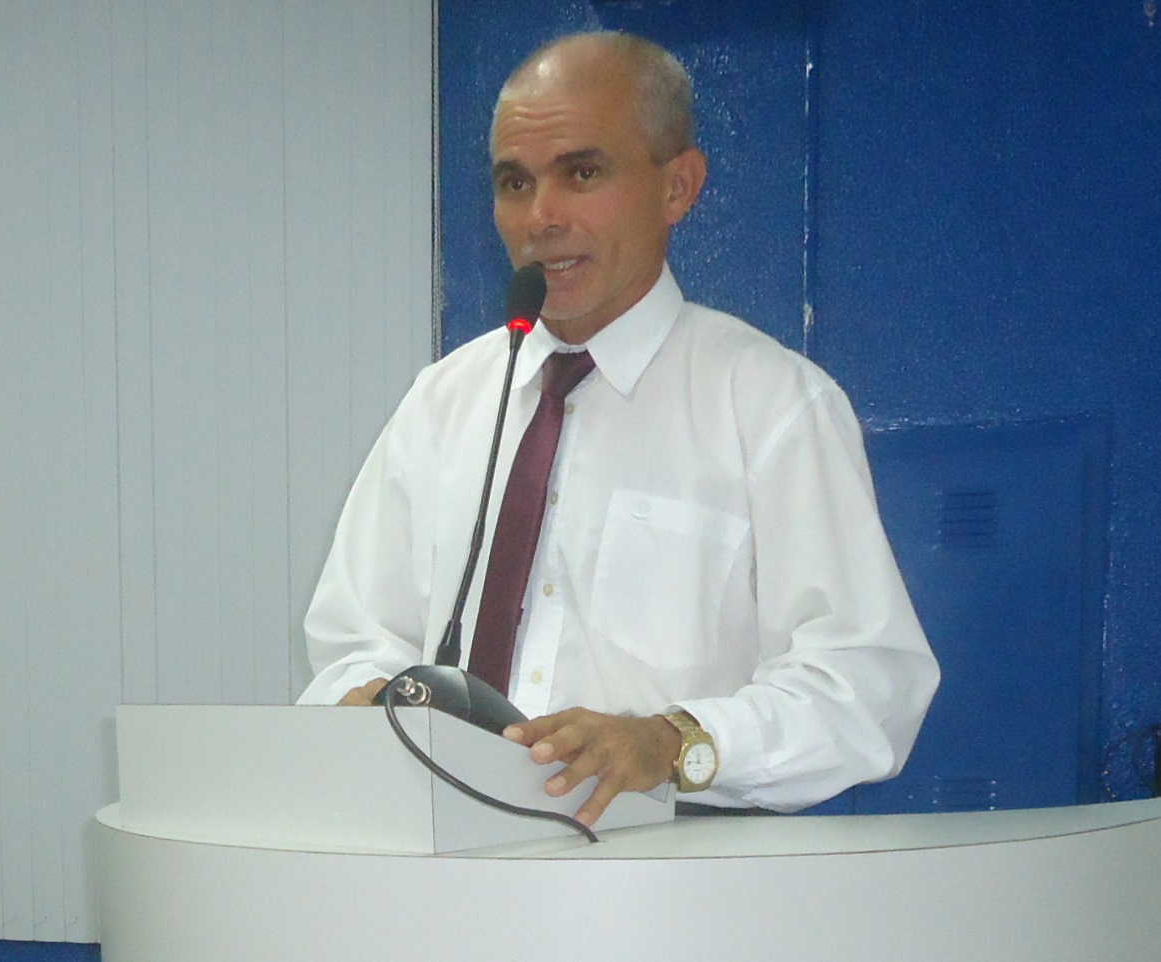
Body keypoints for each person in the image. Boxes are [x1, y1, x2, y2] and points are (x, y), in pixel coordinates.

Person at [298, 31, 939, 826]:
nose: (541, 217)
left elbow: (868, 687)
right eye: (514, 182)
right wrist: (362, 704)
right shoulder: (443, 402)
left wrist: (673, 743)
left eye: (583, 173)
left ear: (677, 186)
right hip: (444, 862)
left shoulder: (770, 405)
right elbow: (351, 647)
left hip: (674, 872)